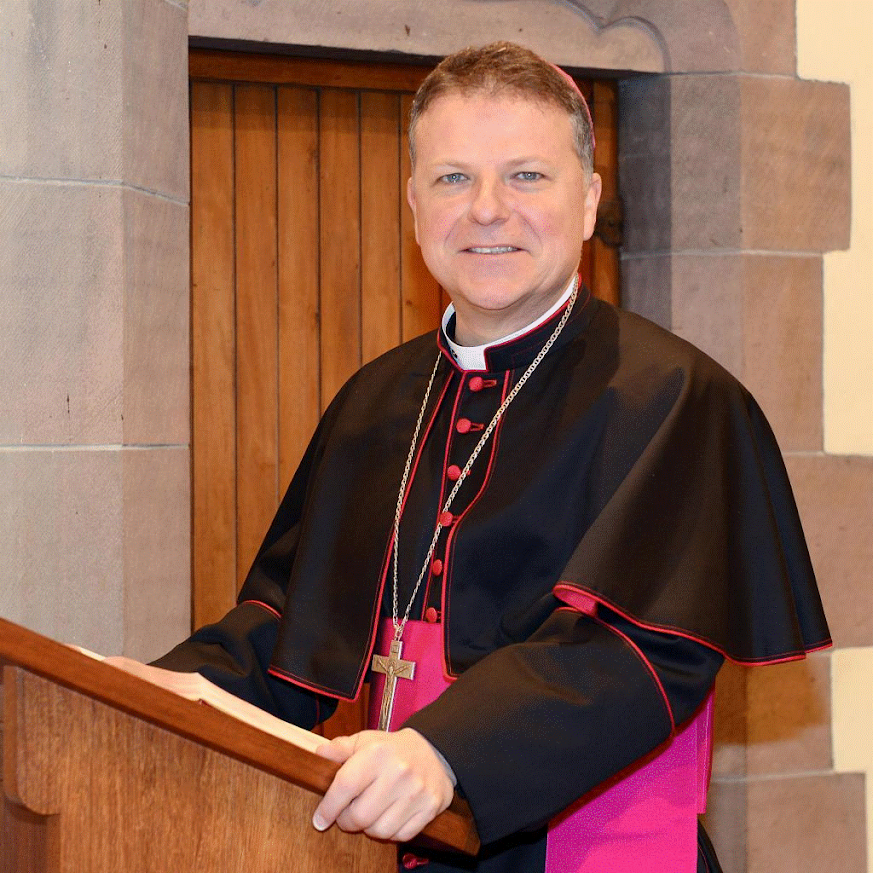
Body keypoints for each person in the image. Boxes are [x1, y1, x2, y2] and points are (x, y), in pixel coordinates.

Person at [129, 42, 830, 872]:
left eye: (526, 176)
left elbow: (638, 650)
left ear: (587, 199)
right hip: (395, 834)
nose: (487, 210)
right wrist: (166, 691)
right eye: (452, 178)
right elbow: (294, 619)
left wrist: (445, 747)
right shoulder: (374, 400)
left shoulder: (676, 398)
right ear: (413, 203)